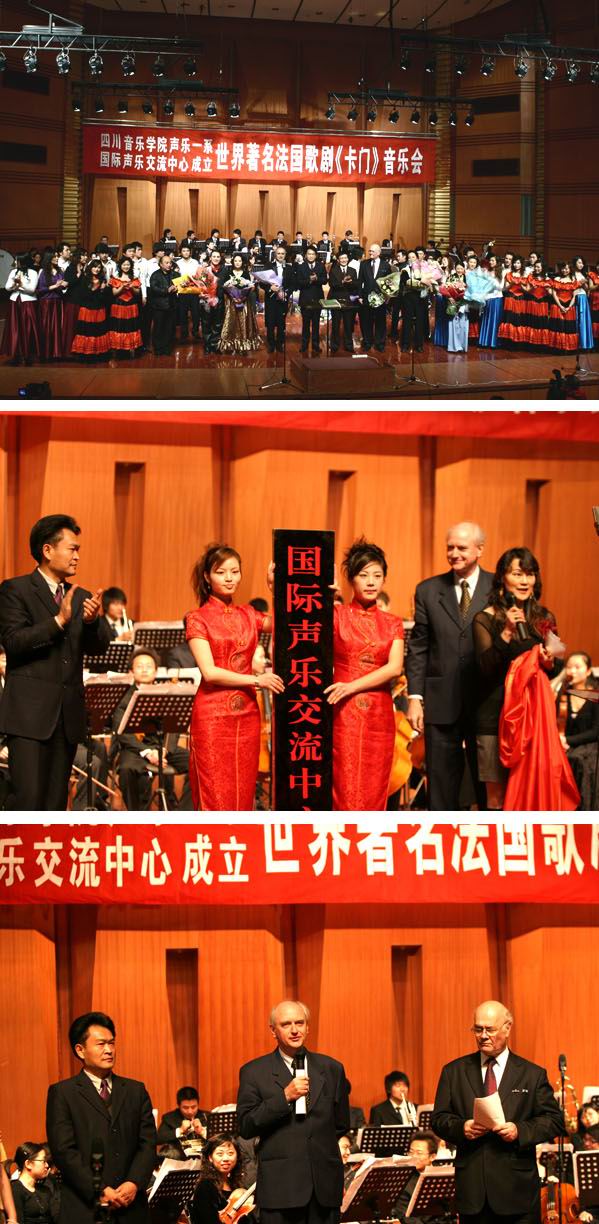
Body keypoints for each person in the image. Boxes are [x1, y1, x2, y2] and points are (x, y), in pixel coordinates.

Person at [0, 513, 104, 810]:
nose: (77, 556)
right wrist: (58, 622)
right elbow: (13, 641)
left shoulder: (80, 595)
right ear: (47, 550)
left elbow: (98, 648)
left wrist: (92, 622)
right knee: (28, 800)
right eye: (72, 549)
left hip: (67, 716)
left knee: (55, 805)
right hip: (29, 716)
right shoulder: (15, 589)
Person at [431, 999, 565, 1224]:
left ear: (507, 1028)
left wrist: (520, 1130)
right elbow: (439, 1119)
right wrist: (462, 1128)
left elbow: (554, 1120)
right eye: (478, 1029)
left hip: (518, 1193)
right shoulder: (453, 1072)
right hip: (473, 1192)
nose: (483, 1036)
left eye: (490, 1029)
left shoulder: (532, 1074)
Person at [185, 543, 284, 810]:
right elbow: (209, 672)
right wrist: (257, 680)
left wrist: (274, 587)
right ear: (207, 577)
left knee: (243, 792)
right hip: (212, 716)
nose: (229, 578)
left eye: (234, 571)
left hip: (247, 715)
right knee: (215, 795)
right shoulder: (197, 618)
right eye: (221, 572)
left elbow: (284, 624)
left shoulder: (248, 614)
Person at [236, 999, 350, 1224]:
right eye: (286, 1024)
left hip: (324, 1188)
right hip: (280, 1188)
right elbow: (246, 1125)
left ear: (308, 1027)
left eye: (300, 1023)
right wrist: (284, 1097)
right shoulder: (254, 1072)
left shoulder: (332, 1068)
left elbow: (340, 1124)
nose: (295, 1030)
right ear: (273, 1031)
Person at [406, 522, 493, 811]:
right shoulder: (428, 590)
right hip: (441, 701)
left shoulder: (498, 588)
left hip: (485, 703)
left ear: (480, 550)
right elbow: (418, 647)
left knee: (488, 787)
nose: (454, 553)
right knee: (441, 787)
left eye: (462, 548)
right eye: (450, 547)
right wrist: (415, 698)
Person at [472, 546, 566, 811]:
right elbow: (485, 669)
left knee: (533, 794)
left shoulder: (544, 618)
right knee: (496, 799)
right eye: (517, 574)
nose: (525, 581)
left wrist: (549, 660)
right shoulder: (485, 618)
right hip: (494, 717)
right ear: (503, 577)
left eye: (530, 574)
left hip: (533, 718)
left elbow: (558, 663)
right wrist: (506, 633)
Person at [46, 1010, 156, 1224]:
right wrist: (99, 1190)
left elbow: (148, 1143)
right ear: (80, 1050)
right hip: (85, 1208)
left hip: (131, 1208)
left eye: (112, 1043)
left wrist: (134, 1182)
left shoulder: (135, 1090)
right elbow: (64, 1151)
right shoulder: (63, 1093)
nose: (109, 1050)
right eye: (101, 1044)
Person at [326, 538, 404, 811]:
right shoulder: (336, 615)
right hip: (343, 714)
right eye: (363, 575)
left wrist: (350, 686)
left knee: (375, 784)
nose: (371, 582)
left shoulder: (393, 622)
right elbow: (297, 627)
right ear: (351, 579)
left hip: (379, 715)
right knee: (344, 782)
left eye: (377, 576)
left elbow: (394, 668)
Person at [112, 647, 192, 811]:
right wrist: (148, 753)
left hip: (163, 747)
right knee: (127, 770)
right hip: (136, 749)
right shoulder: (123, 697)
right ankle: (138, 816)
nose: (144, 670)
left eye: (149, 666)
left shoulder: (166, 693)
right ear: (131, 672)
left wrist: (164, 750)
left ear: (156, 672)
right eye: (139, 666)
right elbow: (121, 732)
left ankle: (183, 813)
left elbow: (174, 728)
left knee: (198, 763)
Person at [556, 651, 599, 810]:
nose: (572, 671)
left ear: (588, 671)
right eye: (569, 667)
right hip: (566, 744)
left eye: (577, 667)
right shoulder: (563, 695)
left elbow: (596, 731)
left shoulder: (595, 695)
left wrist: (568, 740)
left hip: (590, 744)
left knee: (580, 760)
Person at [190, 1135, 249, 1224]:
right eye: (220, 1154)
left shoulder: (235, 1185)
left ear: (237, 1157)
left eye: (230, 1153)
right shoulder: (205, 1186)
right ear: (210, 1158)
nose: (226, 1158)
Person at [0, 252, 40, 365]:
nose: (15, 262)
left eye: (17, 260)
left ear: (22, 261)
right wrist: (14, 283)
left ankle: (28, 355)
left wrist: (21, 285)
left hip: (28, 303)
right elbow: (7, 287)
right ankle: (16, 354)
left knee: (27, 328)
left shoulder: (33, 272)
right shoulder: (13, 272)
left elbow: (32, 289)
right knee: (15, 328)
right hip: (15, 302)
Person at [392, 1133, 441, 1224]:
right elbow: (405, 1216)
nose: (413, 1156)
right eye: (411, 1152)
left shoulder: (443, 1174)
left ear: (432, 1157)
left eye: (419, 1153)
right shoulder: (403, 1179)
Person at [71, 258, 112, 362]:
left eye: (99, 267)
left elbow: (104, 298)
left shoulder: (103, 280)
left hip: (99, 309)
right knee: (86, 331)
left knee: (98, 331)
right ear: (90, 268)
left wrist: (102, 289)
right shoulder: (84, 279)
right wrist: (96, 289)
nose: (97, 269)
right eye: (94, 267)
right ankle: (86, 355)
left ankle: (98, 354)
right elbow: (83, 295)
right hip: (87, 309)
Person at [218, 254, 262, 353]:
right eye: (236, 261)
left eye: (240, 261)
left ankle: (243, 344)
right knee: (231, 322)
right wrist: (233, 297)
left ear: (242, 262)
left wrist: (242, 297)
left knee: (243, 322)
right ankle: (231, 344)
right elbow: (225, 288)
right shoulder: (228, 273)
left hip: (244, 302)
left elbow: (249, 288)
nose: (238, 263)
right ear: (233, 262)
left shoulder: (246, 273)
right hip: (232, 302)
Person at [12, 1142, 59, 1224]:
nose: (47, 1165)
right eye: (43, 1161)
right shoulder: (15, 1189)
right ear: (28, 1164)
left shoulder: (45, 1190)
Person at [359, 243, 392, 352]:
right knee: (366, 321)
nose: (370, 253)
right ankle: (367, 342)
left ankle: (379, 343)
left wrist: (387, 296)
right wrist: (360, 296)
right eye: (369, 251)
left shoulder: (386, 265)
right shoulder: (364, 264)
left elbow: (389, 282)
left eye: (372, 251)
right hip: (366, 297)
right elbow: (360, 281)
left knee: (380, 322)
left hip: (380, 298)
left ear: (379, 252)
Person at [109, 256, 143, 357]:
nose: (126, 266)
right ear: (120, 266)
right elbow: (114, 293)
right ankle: (118, 349)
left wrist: (132, 287)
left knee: (131, 326)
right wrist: (122, 287)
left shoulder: (134, 278)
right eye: (124, 264)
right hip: (119, 305)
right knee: (119, 326)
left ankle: (130, 348)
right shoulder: (115, 278)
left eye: (128, 264)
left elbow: (137, 293)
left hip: (131, 305)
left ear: (131, 266)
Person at [37, 250, 67, 360]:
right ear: (49, 258)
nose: (57, 258)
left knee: (58, 327)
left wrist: (64, 284)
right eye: (55, 256)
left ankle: (57, 352)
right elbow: (40, 289)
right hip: (46, 303)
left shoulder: (60, 271)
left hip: (58, 302)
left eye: (57, 256)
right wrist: (55, 286)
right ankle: (46, 353)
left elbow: (63, 286)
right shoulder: (43, 272)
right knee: (47, 327)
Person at [263, 246, 294, 353]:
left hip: (283, 299)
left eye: (282, 254)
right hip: (271, 298)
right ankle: (271, 344)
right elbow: (262, 282)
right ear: (275, 254)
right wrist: (270, 288)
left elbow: (292, 284)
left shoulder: (289, 268)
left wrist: (286, 293)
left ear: (285, 255)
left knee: (281, 322)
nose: (280, 255)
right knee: (270, 322)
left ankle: (280, 343)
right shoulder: (268, 266)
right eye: (278, 253)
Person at [296, 247, 327, 354]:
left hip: (317, 299)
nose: (311, 256)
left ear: (316, 255)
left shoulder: (320, 266)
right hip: (305, 299)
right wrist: (309, 280)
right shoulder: (301, 266)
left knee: (316, 323)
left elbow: (325, 280)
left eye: (313, 254)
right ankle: (304, 345)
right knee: (305, 324)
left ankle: (315, 345)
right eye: (309, 254)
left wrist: (317, 279)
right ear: (306, 255)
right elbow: (299, 282)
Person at [149, 253, 178, 356]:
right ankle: (158, 349)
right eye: (166, 263)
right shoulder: (155, 275)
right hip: (159, 306)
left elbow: (180, 285)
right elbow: (154, 288)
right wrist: (167, 290)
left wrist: (180, 287)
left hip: (172, 305)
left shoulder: (175, 274)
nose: (169, 265)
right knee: (158, 328)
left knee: (169, 328)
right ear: (160, 264)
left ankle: (167, 348)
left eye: (170, 263)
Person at [328, 254, 358, 353]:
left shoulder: (353, 270)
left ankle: (349, 345)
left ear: (348, 259)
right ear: (338, 260)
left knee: (348, 324)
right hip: (336, 299)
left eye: (345, 258)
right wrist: (342, 281)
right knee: (335, 324)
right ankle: (334, 345)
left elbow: (356, 285)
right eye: (341, 258)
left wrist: (350, 283)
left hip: (348, 300)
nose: (344, 260)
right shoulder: (333, 270)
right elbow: (332, 284)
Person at [175, 241, 201, 341]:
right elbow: (175, 277)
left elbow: (199, 276)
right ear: (181, 252)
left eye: (187, 251)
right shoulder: (177, 263)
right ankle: (184, 333)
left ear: (190, 252)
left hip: (194, 291)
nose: (186, 252)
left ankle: (195, 331)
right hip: (182, 291)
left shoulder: (195, 262)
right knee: (183, 314)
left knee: (196, 313)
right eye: (184, 251)